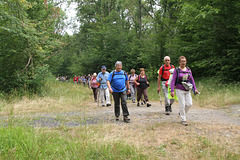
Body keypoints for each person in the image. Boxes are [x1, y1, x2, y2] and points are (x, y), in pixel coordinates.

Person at [171, 56, 199, 126]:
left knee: (189, 104)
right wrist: (172, 90)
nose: (183, 62)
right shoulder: (177, 70)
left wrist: (195, 88)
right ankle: (183, 119)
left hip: (187, 89)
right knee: (182, 104)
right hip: (179, 89)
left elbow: (192, 79)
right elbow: (173, 80)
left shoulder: (188, 70)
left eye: (184, 61)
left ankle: (181, 113)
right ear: (179, 62)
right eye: (182, 61)